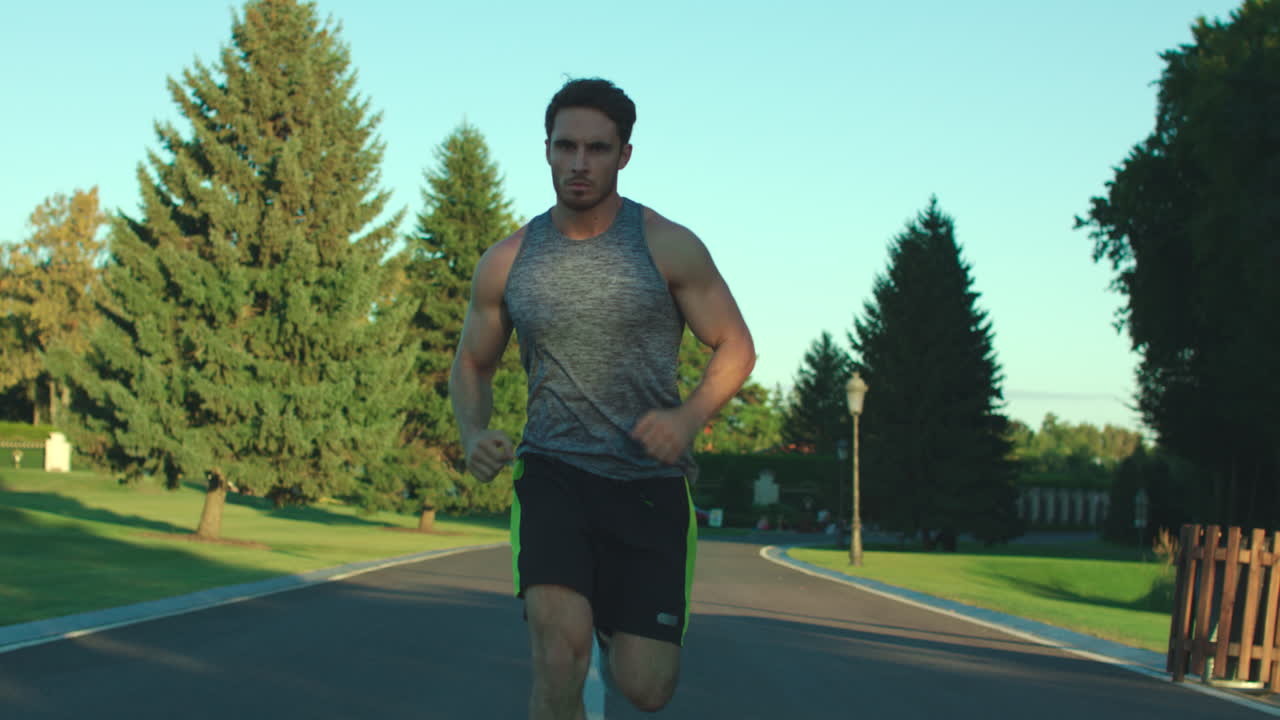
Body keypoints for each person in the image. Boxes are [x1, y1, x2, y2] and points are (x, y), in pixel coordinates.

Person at [450, 77, 755, 719]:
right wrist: (474, 435)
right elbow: (474, 364)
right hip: (553, 473)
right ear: (547, 151)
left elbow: (735, 344)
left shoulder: (666, 245)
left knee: (646, 688)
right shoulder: (508, 260)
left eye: (596, 148)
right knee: (558, 654)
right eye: (566, 147)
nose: (579, 163)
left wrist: (689, 417)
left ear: (624, 155)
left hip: (648, 485)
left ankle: (620, 618)